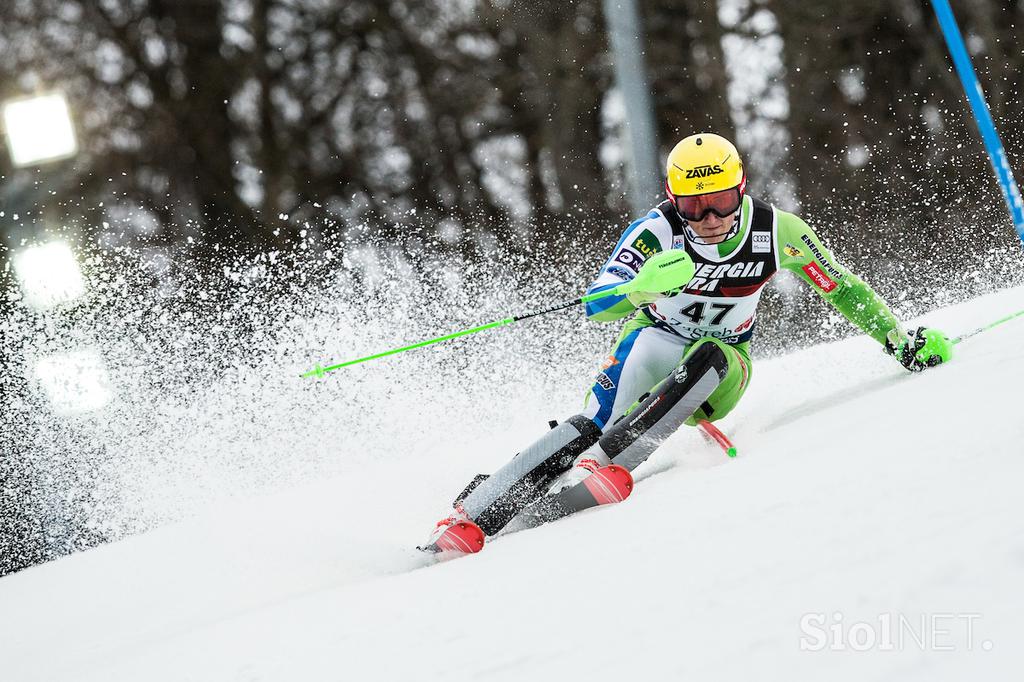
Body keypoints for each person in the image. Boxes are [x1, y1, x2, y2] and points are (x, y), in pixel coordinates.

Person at [425, 132, 953, 551]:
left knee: (710, 354)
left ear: (741, 189)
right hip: (653, 341)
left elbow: (844, 289)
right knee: (589, 423)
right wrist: (639, 287)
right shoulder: (656, 230)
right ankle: (477, 512)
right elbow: (596, 302)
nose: (710, 218)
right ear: (675, 200)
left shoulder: (777, 231)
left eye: (721, 201)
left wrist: (898, 340)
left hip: (724, 367)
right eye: (694, 206)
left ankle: (612, 457)